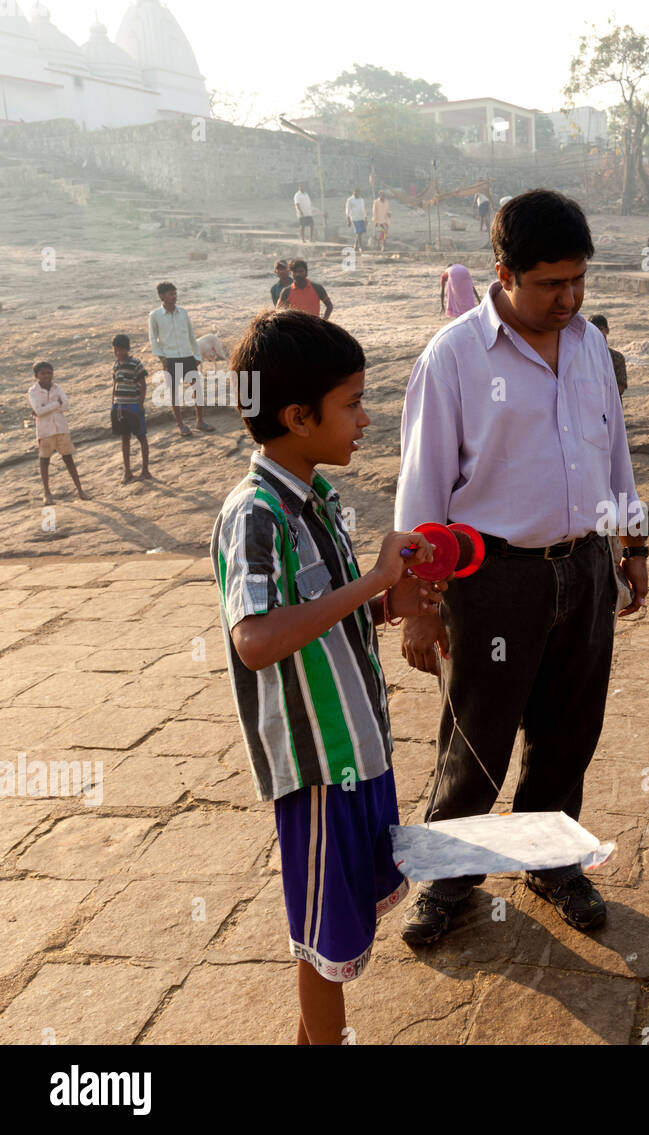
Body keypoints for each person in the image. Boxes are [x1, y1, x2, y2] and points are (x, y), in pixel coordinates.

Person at [395, 189, 647, 947]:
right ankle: (447, 877)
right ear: (503, 274)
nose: (568, 298)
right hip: (492, 581)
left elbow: (615, 453)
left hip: (586, 569)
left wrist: (632, 546)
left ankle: (551, 863)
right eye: (549, 283)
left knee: (570, 729)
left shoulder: (591, 346)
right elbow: (422, 489)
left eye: (579, 280)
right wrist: (417, 605)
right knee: (476, 735)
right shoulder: (454, 358)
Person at [212, 307, 443, 1044]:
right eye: (351, 404)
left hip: (360, 749)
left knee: (343, 925)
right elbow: (255, 639)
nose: (365, 419)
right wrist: (371, 582)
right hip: (318, 768)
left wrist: (389, 600)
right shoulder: (255, 514)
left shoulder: (317, 501)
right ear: (297, 415)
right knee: (324, 938)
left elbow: (322, 620)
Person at [148, 281, 212, 435]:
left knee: (197, 388)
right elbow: (153, 339)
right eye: (171, 294)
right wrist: (162, 359)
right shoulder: (155, 316)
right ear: (162, 296)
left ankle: (200, 421)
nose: (174, 297)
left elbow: (191, 336)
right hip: (170, 358)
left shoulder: (183, 312)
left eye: (175, 293)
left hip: (187, 356)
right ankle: (181, 425)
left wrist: (197, 356)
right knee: (174, 393)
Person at [28, 362, 89, 505]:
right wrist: (56, 404)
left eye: (49, 372)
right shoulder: (33, 391)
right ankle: (47, 493)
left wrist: (47, 408)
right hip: (45, 431)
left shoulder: (57, 387)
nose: (46, 376)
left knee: (68, 459)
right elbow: (39, 411)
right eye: (43, 373)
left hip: (61, 428)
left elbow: (66, 405)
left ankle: (80, 490)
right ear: (36, 376)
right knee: (44, 461)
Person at [110, 334, 151, 484]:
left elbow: (143, 384)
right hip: (119, 406)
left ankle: (145, 470)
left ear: (127, 349)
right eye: (116, 350)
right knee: (124, 438)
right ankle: (127, 471)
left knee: (141, 436)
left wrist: (140, 404)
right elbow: (115, 385)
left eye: (121, 350)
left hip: (133, 406)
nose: (119, 353)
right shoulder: (116, 365)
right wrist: (113, 403)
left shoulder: (136, 364)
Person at [588, 314, 627, 400]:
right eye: (592, 330)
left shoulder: (617, 357)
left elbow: (621, 387)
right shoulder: (582, 357)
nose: (596, 333)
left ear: (607, 330)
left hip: (611, 406)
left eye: (599, 329)